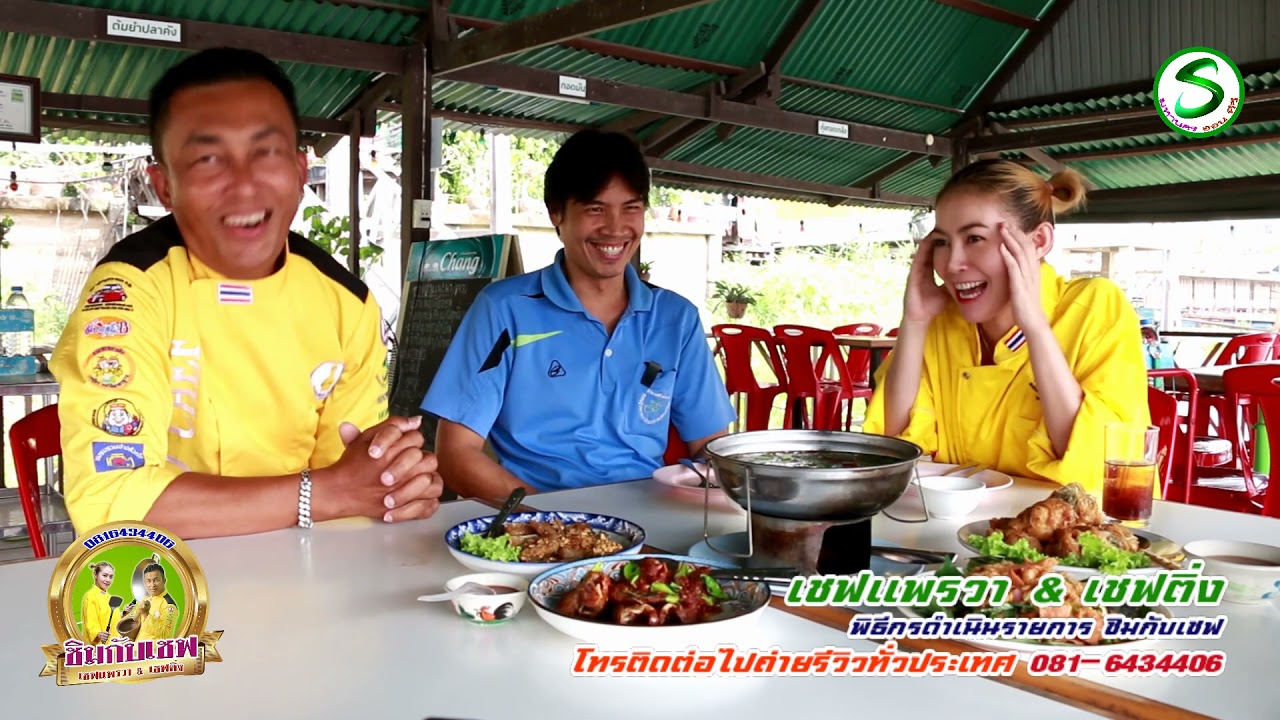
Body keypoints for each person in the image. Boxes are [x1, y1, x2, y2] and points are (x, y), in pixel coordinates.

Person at [50, 48, 442, 539]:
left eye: (267, 152)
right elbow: (112, 502)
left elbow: (352, 497)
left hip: (305, 575)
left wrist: (392, 482)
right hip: (164, 583)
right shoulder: (130, 290)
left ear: (301, 171)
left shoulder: (347, 304)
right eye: (208, 159)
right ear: (165, 186)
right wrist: (325, 493)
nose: (244, 186)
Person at [422, 130, 735, 497]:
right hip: (536, 519)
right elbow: (456, 454)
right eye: (595, 209)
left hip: (650, 519)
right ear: (556, 214)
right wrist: (556, 522)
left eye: (631, 208)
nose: (616, 228)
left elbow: (712, 450)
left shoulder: (675, 319)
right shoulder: (504, 311)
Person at [862, 159, 1150, 494]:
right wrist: (914, 322)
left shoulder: (1096, 308)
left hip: (1069, 532)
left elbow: (1099, 468)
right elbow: (894, 447)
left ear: (1039, 241)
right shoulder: (940, 321)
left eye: (974, 238)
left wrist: (1036, 328)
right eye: (942, 242)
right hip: (947, 530)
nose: (953, 264)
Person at [121, 564, 178, 642]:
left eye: (156, 580)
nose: (152, 585)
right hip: (137, 649)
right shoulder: (145, 600)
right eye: (148, 581)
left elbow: (165, 635)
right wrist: (130, 637)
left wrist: (146, 614)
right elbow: (135, 624)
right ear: (145, 583)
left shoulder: (169, 605)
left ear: (164, 581)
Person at [80, 561, 116, 645]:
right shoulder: (91, 596)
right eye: (104, 575)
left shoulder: (108, 597)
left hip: (112, 646)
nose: (108, 580)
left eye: (111, 577)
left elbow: (109, 619)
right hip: (98, 649)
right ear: (95, 575)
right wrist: (98, 634)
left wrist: (124, 614)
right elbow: (91, 623)